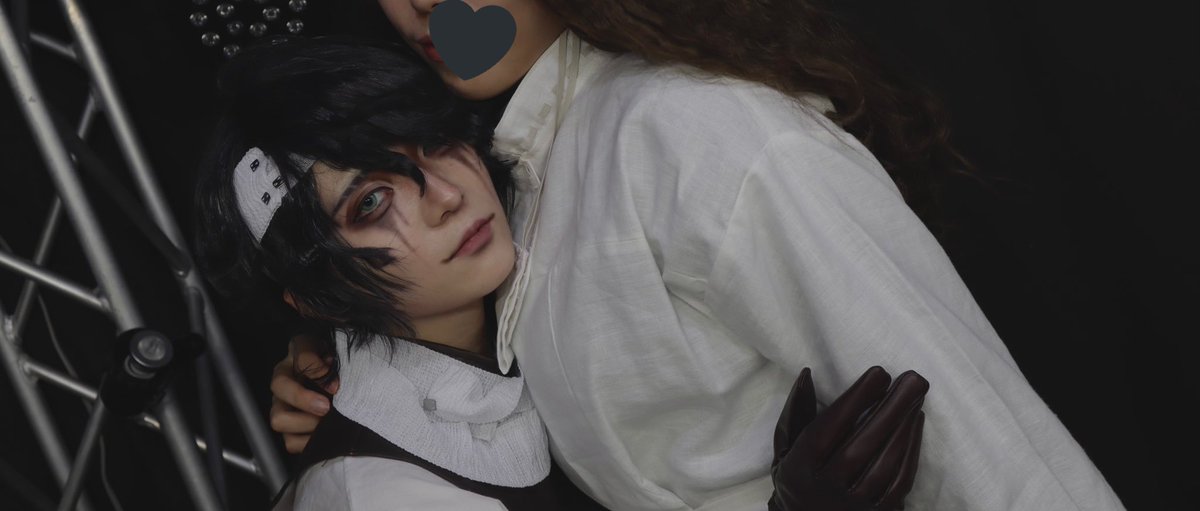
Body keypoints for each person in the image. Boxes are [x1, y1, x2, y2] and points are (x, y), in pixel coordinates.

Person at [269, 1, 1126, 509]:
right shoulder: (518, 188)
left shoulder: (689, 129)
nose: (419, 5)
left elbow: (985, 440)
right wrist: (354, 377)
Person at [195, 37, 928, 510]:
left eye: (433, 142)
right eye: (373, 202)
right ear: (310, 293)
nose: (447, 195)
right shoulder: (382, 492)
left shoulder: (522, 306)